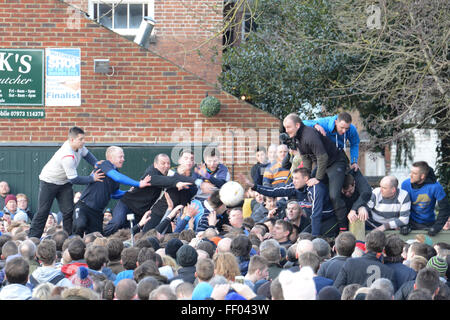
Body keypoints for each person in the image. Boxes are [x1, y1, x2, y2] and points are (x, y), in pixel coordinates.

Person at [29, 127, 105, 239]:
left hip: (64, 182)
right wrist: (92, 178)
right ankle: (32, 239)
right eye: (81, 139)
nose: (84, 141)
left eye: (84, 138)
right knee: (43, 212)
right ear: (72, 140)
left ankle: (69, 239)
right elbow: (74, 179)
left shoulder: (79, 146)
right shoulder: (67, 155)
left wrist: (96, 163)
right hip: (49, 181)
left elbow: (87, 155)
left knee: (68, 211)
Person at [283, 113, 349, 233]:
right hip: (322, 164)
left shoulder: (309, 135)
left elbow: (323, 157)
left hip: (335, 162)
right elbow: (306, 159)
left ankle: (343, 227)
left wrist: (317, 178)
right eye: (285, 128)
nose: (286, 130)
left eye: (288, 127)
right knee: (307, 185)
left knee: (334, 195)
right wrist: (306, 176)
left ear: (297, 125)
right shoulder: (297, 137)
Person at [103, 153, 194, 236]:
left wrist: (197, 180)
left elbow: (176, 179)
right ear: (155, 164)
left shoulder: (168, 174)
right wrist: (177, 183)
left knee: (132, 234)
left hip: (140, 213)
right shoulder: (151, 173)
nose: (166, 166)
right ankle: (101, 238)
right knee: (117, 223)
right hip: (127, 204)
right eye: (163, 163)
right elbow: (159, 180)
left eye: (168, 164)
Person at [72, 146, 151, 237]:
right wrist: (139, 184)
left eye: (123, 157)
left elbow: (114, 194)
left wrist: (128, 192)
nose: (123, 159)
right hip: (84, 207)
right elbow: (117, 177)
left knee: (96, 239)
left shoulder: (115, 172)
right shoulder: (104, 164)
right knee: (79, 226)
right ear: (110, 158)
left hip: (97, 213)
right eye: (120, 157)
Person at [244, 168, 337, 237]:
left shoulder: (316, 189)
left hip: (327, 220)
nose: (294, 181)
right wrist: (254, 186)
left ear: (305, 179)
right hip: (311, 220)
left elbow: (316, 215)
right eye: (293, 178)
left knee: (309, 239)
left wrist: (314, 238)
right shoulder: (294, 187)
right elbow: (274, 191)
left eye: (296, 178)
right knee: (300, 237)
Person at [144, 150, 198, 231]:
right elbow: (163, 179)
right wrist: (177, 181)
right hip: (159, 211)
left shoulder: (194, 177)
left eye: (192, 159)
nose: (189, 161)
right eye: (186, 158)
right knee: (145, 237)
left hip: (176, 217)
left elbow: (191, 191)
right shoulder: (170, 171)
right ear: (179, 160)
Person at [401, 161, 450, 236]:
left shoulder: (435, 186)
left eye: (414, 173)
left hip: (428, 223)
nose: (411, 175)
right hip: (410, 222)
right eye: (411, 172)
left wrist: (437, 227)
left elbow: (445, 208)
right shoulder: (405, 184)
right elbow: (400, 206)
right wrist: (403, 224)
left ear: (422, 176)